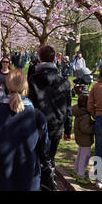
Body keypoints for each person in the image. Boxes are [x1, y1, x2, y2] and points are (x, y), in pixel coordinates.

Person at [0, 69, 49, 191]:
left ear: (7, 85)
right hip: (27, 175)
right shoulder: (37, 115)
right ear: (25, 86)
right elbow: (44, 148)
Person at [28, 45, 72, 191]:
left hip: (37, 125)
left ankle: (40, 184)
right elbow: (68, 107)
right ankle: (48, 182)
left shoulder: (33, 79)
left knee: (37, 160)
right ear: (55, 58)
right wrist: (68, 128)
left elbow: (29, 105)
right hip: (56, 125)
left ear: (39, 58)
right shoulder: (64, 81)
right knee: (50, 159)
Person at [72, 93, 94, 184]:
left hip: (81, 139)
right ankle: (81, 175)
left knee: (80, 155)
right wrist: (94, 125)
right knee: (84, 158)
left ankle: (75, 171)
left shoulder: (79, 112)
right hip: (85, 140)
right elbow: (85, 129)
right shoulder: (85, 115)